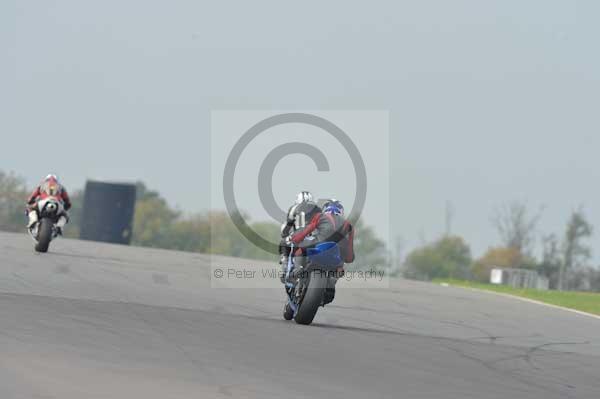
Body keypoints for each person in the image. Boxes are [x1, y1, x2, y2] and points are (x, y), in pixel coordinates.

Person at [285, 199, 355, 303]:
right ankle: (330, 285)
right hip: (335, 257)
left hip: (319, 247)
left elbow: (306, 231)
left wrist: (295, 239)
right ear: (341, 212)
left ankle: (297, 270)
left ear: (325, 209)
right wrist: (346, 261)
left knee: (299, 250)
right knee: (340, 267)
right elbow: (349, 251)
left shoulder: (320, 216)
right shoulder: (349, 226)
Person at [279, 191, 321, 282]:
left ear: (297, 200)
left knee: (283, 242)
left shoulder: (293, 208)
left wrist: (284, 233)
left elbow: (288, 224)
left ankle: (285, 264)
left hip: (297, 237)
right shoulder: (317, 209)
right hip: (314, 238)